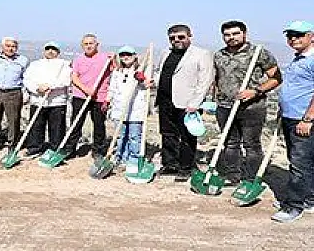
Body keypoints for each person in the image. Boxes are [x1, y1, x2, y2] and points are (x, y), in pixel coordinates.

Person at [213, 21, 281, 186]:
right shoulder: (219, 55)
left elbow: (276, 78)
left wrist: (255, 91)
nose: (231, 38)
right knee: (229, 143)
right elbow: (217, 78)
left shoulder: (258, 53)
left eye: (235, 33)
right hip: (225, 106)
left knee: (251, 145)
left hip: (252, 107)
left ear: (244, 33)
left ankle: (251, 178)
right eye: (227, 35)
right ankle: (233, 176)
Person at [152, 24, 214, 181]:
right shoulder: (166, 52)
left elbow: (205, 80)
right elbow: (160, 71)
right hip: (165, 101)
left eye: (180, 37)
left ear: (189, 36)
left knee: (187, 137)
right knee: (168, 134)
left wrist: (195, 102)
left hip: (188, 103)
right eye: (172, 38)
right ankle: (170, 164)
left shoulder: (201, 54)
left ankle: (185, 167)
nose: (176, 40)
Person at [271, 20, 314, 223]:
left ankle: (293, 206)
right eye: (290, 36)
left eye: (298, 35)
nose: (293, 39)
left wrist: (308, 118)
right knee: (304, 162)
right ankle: (309, 199)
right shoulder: (299, 59)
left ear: (311, 36)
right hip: (291, 117)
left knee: (299, 163)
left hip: (303, 119)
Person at [63, 34, 113, 161]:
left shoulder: (105, 58)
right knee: (76, 123)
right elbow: (74, 77)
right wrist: (86, 90)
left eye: (91, 43)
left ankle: (98, 150)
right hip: (80, 96)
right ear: (82, 46)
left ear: (97, 45)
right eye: (86, 44)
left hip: (99, 97)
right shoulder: (78, 60)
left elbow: (118, 69)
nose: (89, 46)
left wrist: (115, 58)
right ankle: (70, 149)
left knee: (99, 125)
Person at [22, 41, 72, 156]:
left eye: (53, 49)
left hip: (57, 101)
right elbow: (27, 79)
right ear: (44, 51)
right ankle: (34, 147)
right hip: (37, 100)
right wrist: (37, 88)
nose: (50, 51)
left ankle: (56, 149)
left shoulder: (64, 64)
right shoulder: (35, 64)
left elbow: (66, 79)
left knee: (57, 127)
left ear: (58, 52)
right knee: (36, 125)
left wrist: (51, 86)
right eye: (48, 49)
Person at [0, 37, 29, 152]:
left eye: (13, 46)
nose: (10, 48)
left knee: (13, 120)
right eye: (8, 46)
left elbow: (26, 79)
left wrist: (26, 94)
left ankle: (13, 144)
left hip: (14, 92)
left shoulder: (23, 60)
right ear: (3, 47)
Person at [107, 46, 149, 167]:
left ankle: (134, 159)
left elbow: (149, 85)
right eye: (122, 55)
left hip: (135, 110)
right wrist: (107, 101)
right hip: (119, 109)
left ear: (135, 56)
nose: (125, 57)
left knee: (134, 136)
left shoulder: (141, 70)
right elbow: (112, 89)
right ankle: (121, 157)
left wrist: (142, 80)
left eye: (128, 54)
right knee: (120, 136)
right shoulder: (117, 72)